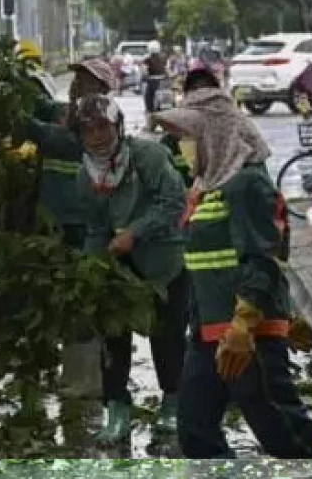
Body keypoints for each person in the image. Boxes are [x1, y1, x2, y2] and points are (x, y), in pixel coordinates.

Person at [153, 87, 312, 460]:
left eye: (189, 137)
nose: (183, 146)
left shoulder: (245, 184)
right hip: (208, 333)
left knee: (286, 436)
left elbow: (263, 258)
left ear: (215, 135)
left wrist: (249, 323)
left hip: (246, 333)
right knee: (195, 430)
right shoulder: (205, 186)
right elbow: (204, 266)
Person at [0, 44, 117, 398]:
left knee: (81, 302)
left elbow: (39, 130)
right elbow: (34, 107)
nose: (77, 85)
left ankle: (87, 382)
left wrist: (17, 115)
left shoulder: (99, 122)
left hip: (85, 227)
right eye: (77, 78)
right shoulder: (66, 112)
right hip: (55, 224)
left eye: (86, 80)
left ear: (102, 88)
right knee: (56, 300)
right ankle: (64, 375)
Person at [74, 94, 189, 441]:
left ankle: (173, 405)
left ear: (118, 127)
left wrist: (135, 233)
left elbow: (174, 202)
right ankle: (117, 411)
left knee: (167, 337)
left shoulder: (147, 156)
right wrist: (91, 266)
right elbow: (95, 227)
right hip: (118, 269)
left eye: (103, 127)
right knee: (112, 339)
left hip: (163, 262)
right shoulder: (85, 175)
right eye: (88, 130)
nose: (96, 136)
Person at [143, 40, 167, 113]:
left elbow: (144, 71)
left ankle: (150, 110)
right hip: (164, 81)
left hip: (152, 81)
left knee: (148, 97)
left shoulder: (147, 59)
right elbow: (167, 69)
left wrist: (145, 76)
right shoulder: (163, 57)